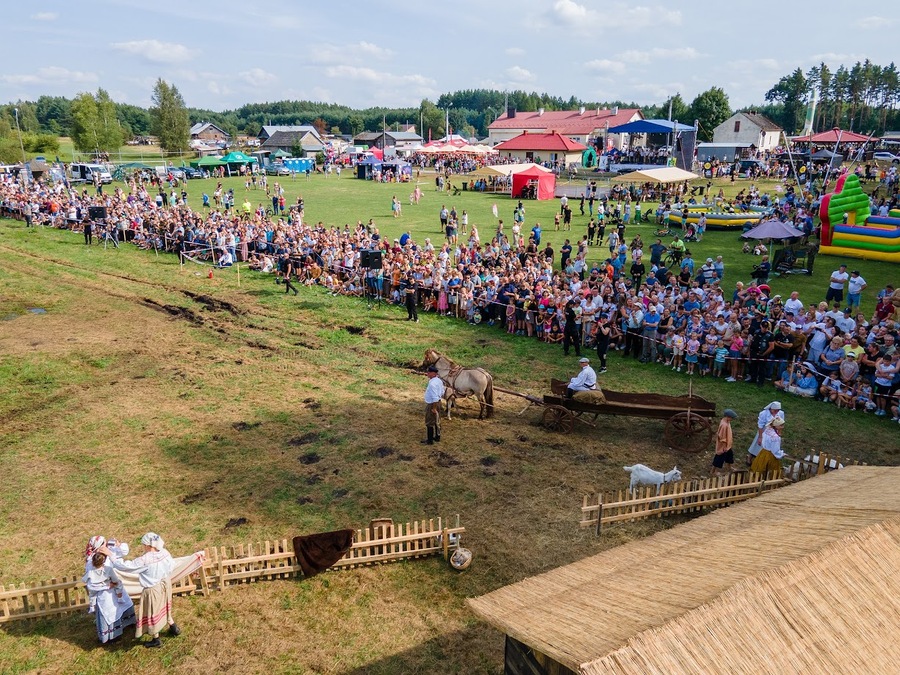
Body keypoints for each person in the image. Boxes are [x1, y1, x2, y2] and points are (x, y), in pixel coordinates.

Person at [103, 532, 180, 648]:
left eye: (144, 544)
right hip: (165, 584)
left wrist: (110, 554)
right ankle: (173, 626)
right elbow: (171, 565)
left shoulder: (145, 560)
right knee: (165, 605)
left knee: (152, 612)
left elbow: (125, 566)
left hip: (152, 589)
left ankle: (156, 639)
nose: (143, 547)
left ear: (149, 545)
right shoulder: (164, 552)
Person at [82, 536, 136, 644]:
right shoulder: (91, 562)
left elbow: (124, 551)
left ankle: (128, 623)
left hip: (116, 589)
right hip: (105, 593)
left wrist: (118, 544)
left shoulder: (108, 551)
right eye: (104, 544)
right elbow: (92, 582)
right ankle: (112, 635)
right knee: (109, 612)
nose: (106, 545)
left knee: (122, 605)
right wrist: (107, 585)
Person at [747, 401, 784, 466]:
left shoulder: (780, 413)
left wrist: (779, 433)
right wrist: (760, 437)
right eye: (775, 410)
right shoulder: (764, 413)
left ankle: (761, 460)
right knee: (758, 445)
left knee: (767, 447)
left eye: (778, 410)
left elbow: (781, 424)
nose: (776, 412)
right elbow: (760, 425)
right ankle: (749, 457)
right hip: (764, 431)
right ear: (771, 408)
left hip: (774, 432)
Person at [423, 365, 445, 444]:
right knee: (437, 420)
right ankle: (437, 437)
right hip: (439, 402)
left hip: (433, 404)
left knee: (429, 422)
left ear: (433, 373)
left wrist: (434, 408)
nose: (427, 374)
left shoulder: (432, 383)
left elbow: (435, 398)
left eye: (428, 372)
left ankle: (430, 440)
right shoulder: (439, 381)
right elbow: (442, 392)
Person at [712, 409, 738, 476]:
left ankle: (729, 467)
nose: (732, 419)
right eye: (731, 418)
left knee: (729, 456)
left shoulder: (727, 422)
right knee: (719, 458)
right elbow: (722, 437)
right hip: (723, 446)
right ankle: (714, 471)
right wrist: (724, 447)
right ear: (728, 417)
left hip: (728, 445)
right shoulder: (724, 425)